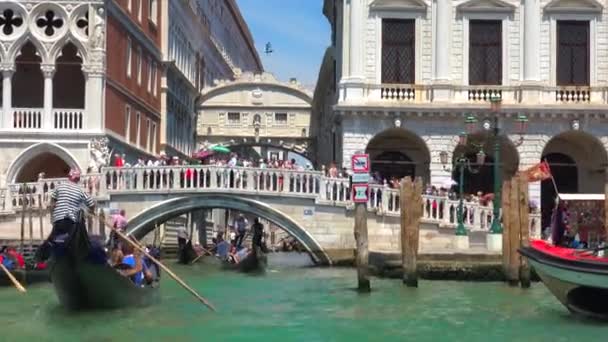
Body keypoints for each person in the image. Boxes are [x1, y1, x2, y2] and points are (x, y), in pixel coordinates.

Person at [36, 169, 95, 261]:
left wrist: (53, 213)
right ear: (78, 179)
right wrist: (91, 212)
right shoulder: (80, 190)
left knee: (54, 238)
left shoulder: (60, 186)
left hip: (59, 219)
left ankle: (41, 257)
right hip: (71, 220)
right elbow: (91, 203)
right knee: (71, 241)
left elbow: (52, 202)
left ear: (69, 177)